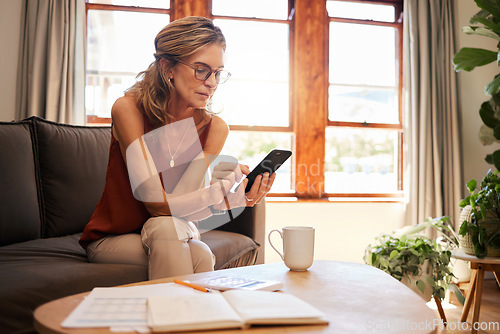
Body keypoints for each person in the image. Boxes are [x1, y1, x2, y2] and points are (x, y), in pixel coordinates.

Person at [79, 16, 276, 280]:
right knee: (198, 252)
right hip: (114, 238)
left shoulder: (214, 128)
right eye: (201, 69)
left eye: (217, 73)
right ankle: (203, 318)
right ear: (167, 67)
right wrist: (216, 192)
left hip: (174, 229)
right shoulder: (128, 109)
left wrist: (239, 199)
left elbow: (184, 205)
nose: (212, 82)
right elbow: (156, 205)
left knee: (170, 230)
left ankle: (171, 318)